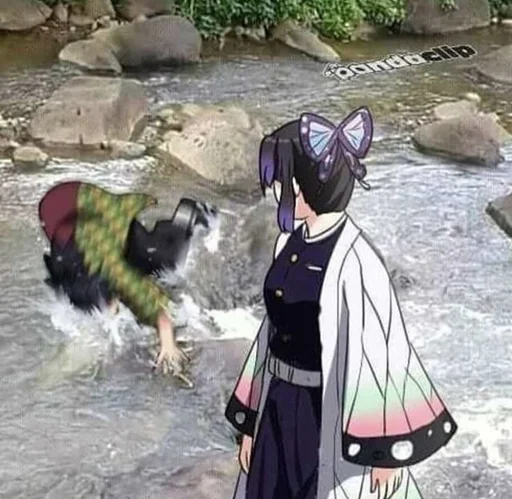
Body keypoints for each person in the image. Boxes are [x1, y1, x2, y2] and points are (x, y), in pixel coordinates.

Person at [224, 108, 458, 499]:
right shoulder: (288, 243)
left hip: (325, 409)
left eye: (281, 179)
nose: (275, 190)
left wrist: (385, 452)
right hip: (277, 401)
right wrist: (250, 424)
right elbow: (270, 332)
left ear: (303, 184)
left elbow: (382, 351)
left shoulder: (358, 261)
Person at [39, 181, 216, 380]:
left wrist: (168, 344)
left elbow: (154, 306)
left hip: (82, 207)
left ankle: (189, 213)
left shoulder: (112, 271)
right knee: (131, 264)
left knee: (163, 264)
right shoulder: (72, 280)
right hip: (62, 209)